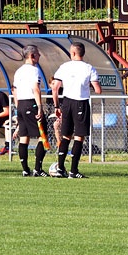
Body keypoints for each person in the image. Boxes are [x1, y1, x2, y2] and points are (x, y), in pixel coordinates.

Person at [51, 42, 102, 179]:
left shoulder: (64, 67)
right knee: (79, 136)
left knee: (66, 136)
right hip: (81, 103)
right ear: (83, 53)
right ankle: (73, 170)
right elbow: (97, 90)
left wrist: (57, 106)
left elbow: (54, 87)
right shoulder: (89, 68)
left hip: (67, 102)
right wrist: (88, 86)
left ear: (73, 53)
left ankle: (60, 168)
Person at [12, 45, 46, 177]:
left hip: (21, 104)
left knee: (24, 136)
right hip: (30, 103)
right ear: (32, 56)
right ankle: (37, 168)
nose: (39, 56)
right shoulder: (34, 70)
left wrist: (17, 106)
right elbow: (35, 88)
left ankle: (25, 169)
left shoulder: (19, 71)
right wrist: (39, 106)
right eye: (38, 54)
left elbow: (14, 90)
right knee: (43, 136)